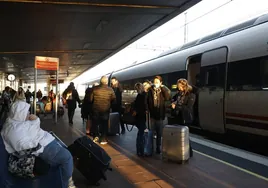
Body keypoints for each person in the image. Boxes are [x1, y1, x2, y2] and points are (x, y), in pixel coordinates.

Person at [1, 100, 76, 188]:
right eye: (26, 112)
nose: (29, 113)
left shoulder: (16, 122)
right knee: (67, 158)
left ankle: (67, 176)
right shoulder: (13, 131)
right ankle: (66, 184)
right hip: (42, 148)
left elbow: (32, 130)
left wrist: (35, 122)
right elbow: (27, 146)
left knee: (68, 151)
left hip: (45, 141)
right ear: (20, 114)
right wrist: (36, 121)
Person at [171, 78, 195, 157]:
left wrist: (176, 106)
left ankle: (189, 152)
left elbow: (188, 107)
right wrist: (173, 102)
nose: (178, 87)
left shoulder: (191, 95)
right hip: (178, 117)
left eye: (179, 86)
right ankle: (180, 151)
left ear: (184, 86)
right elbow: (172, 99)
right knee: (179, 136)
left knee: (185, 135)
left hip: (185, 118)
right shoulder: (178, 94)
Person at [147, 76, 170, 154]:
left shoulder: (163, 91)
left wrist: (162, 88)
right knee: (151, 132)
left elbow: (167, 97)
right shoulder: (150, 91)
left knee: (159, 133)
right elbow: (147, 101)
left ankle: (158, 147)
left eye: (157, 82)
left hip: (160, 115)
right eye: (154, 82)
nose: (155, 84)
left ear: (161, 83)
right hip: (152, 115)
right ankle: (150, 148)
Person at [90, 76, 116, 145]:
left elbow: (90, 99)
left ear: (100, 81)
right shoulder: (110, 89)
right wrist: (109, 105)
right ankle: (103, 139)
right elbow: (114, 100)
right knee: (104, 124)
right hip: (105, 110)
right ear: (107, 82)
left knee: (95, 124)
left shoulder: (94, 89)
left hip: (96, 110)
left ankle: (96, 137)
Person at [132, 83, 147, 157]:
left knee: (140, 134)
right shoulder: (144, 95)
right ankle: (141, 150)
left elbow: (137, 106)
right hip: (142, 117)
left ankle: (139, 150)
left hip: (138, 117)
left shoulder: (139, 96)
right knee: (141, 134)